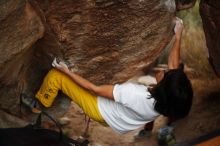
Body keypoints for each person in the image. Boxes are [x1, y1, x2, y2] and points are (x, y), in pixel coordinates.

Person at [21, 17, 193, 134]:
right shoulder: (166, 102)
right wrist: (178, 36)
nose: (164, 70)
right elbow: (174, 67)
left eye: (166, 74)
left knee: (55, 77)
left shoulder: (134, 94)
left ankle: (39, 105)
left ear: (163, 87)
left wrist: (66, 71)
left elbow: (92, 89)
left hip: (101, 110)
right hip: (120, 123)